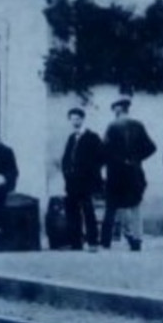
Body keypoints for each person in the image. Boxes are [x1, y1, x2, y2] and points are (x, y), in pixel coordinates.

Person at [102, 98, 158, 251]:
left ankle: (106, 241)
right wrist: (135, 159)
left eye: (115, 109)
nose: (114, 112)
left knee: (112, 206)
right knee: (134, 205)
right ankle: (137, 239)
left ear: (118, 110)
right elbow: (152, 147)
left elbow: (104, 150)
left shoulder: (112, 127)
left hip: (115, 173)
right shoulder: (138, 126)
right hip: (134, 172)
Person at [59, 107, 104, 250]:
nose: (75, 122)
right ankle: (75, 242)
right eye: (72, 119)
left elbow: (100, 158)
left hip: (86, 181)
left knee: (88, 210)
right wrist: (66, 172)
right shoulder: (71, 138)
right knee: (72, 211)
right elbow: (66, 158)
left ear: (83, 119)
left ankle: (92, 242)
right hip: (72, 181)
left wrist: (91, 173)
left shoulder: (92, 137)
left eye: (77, 119)